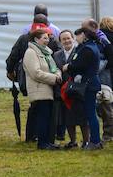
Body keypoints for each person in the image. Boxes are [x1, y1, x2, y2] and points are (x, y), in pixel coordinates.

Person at [6, 12, 60, 142]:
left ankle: (32, 135)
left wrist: (10, 72)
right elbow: (58, 57)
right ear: (47, 24)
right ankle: (48, 136)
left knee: (35, 106)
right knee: (45, 107)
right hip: (47, 77)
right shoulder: (51, 38)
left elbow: (12, 57)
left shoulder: (24, 38)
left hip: (27, 78)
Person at [23, 26, 63, 150]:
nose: (47, 40)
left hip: (49, 89)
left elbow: (55, 67)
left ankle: (48, 142)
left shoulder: (46, 52)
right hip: (39, 89)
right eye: (45, 38)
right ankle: (42, 143)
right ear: (36, 39)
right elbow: (35, 73)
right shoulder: (31, 52)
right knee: (43, 117)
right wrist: (54, 78)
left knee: (48, 117)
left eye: (48, 38)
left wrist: (58, 74)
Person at [63, 28, 103, 149]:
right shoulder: (89, 46)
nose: (76, 39)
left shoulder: (87, 49)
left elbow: (78, 64)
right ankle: (95, 140)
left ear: (84, 35)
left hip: (89, 84)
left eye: (77, 36)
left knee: (90, 113)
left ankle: (95, 141)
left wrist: (68, 66)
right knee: (90, 112)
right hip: (90, 83)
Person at [55, 30, 86, 148]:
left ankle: (86, 141)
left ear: (72, 38)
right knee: (68, 117)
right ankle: (73, 141)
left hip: (78, 88)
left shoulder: (80, 51)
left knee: (82, 116)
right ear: (60, 41)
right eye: (64, 39)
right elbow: (55, 68)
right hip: (64, 90)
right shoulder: (57, 55)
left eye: (68, 38)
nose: (67, 41)